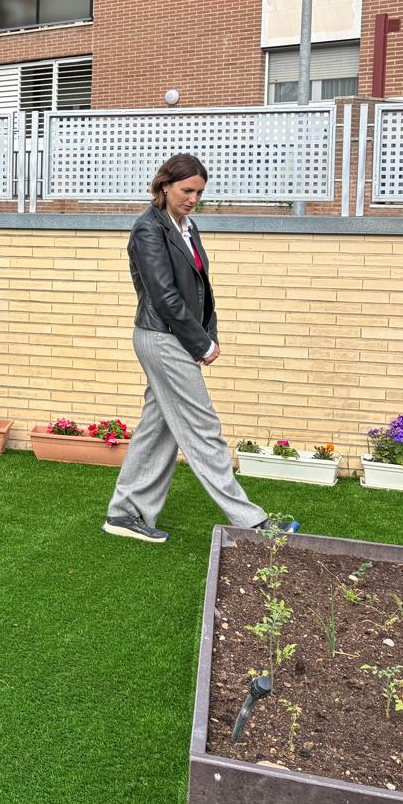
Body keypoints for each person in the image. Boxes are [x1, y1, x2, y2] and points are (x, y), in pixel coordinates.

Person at [104, 154, 298, 544]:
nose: (193, 198)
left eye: (199, 192)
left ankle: (124, 514)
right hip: (161, 338)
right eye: (186, 190)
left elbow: (199, 290)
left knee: (158, 430)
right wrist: (201, 342)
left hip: (176, 337)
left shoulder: (186, 228)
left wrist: (209, 332)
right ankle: (252, 523)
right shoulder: (149, 230)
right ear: (164, 186)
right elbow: (164, 297)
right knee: (203, 427)